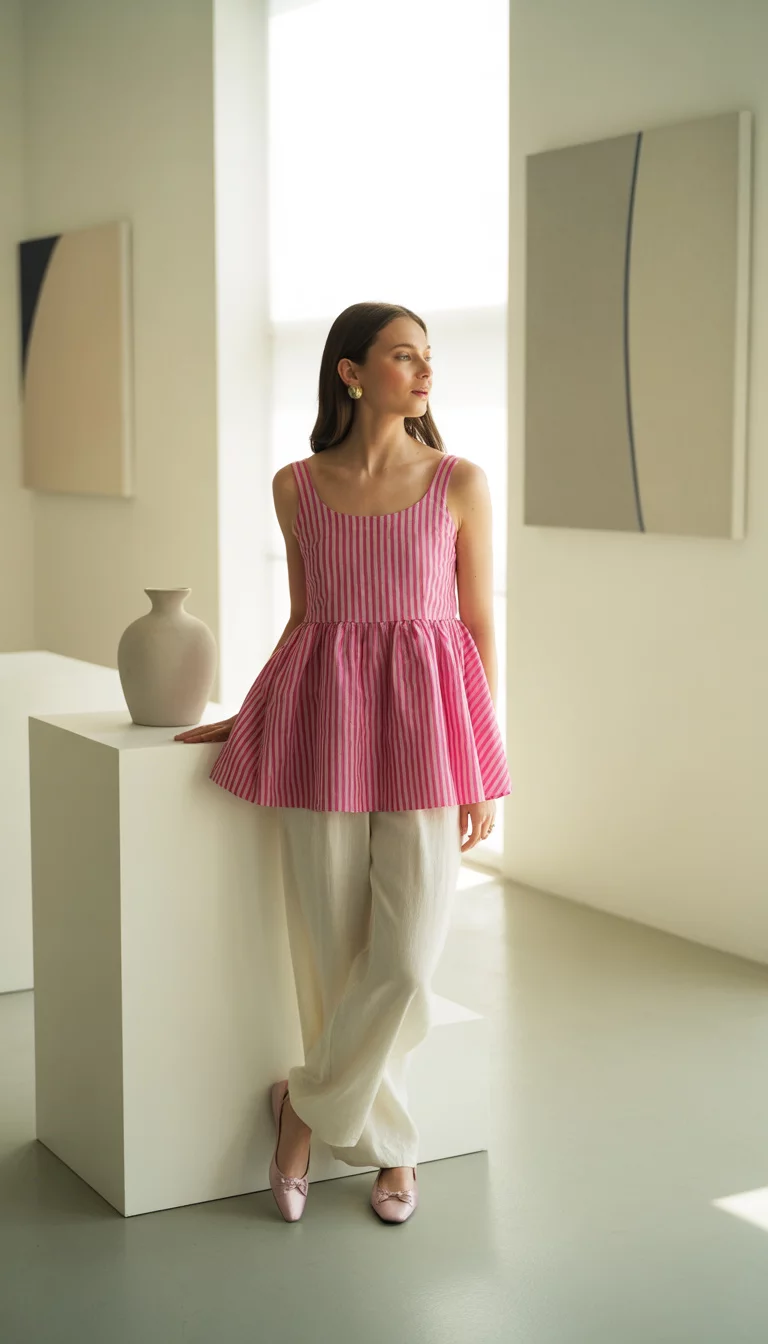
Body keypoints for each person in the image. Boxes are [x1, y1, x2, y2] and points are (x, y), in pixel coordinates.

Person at [175, 301, 511, 1224]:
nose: (425, 371)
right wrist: (249, 711)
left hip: (428, 736)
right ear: (351, 372)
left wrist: (482, 757)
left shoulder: (461, 483)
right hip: (323, 724)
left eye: (429, 357)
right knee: (328, 953)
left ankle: (303, 1108)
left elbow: (477, 628)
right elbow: (306, 622)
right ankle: (393, 1152)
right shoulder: (296, 487)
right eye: (404, 356)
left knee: (405, 959)